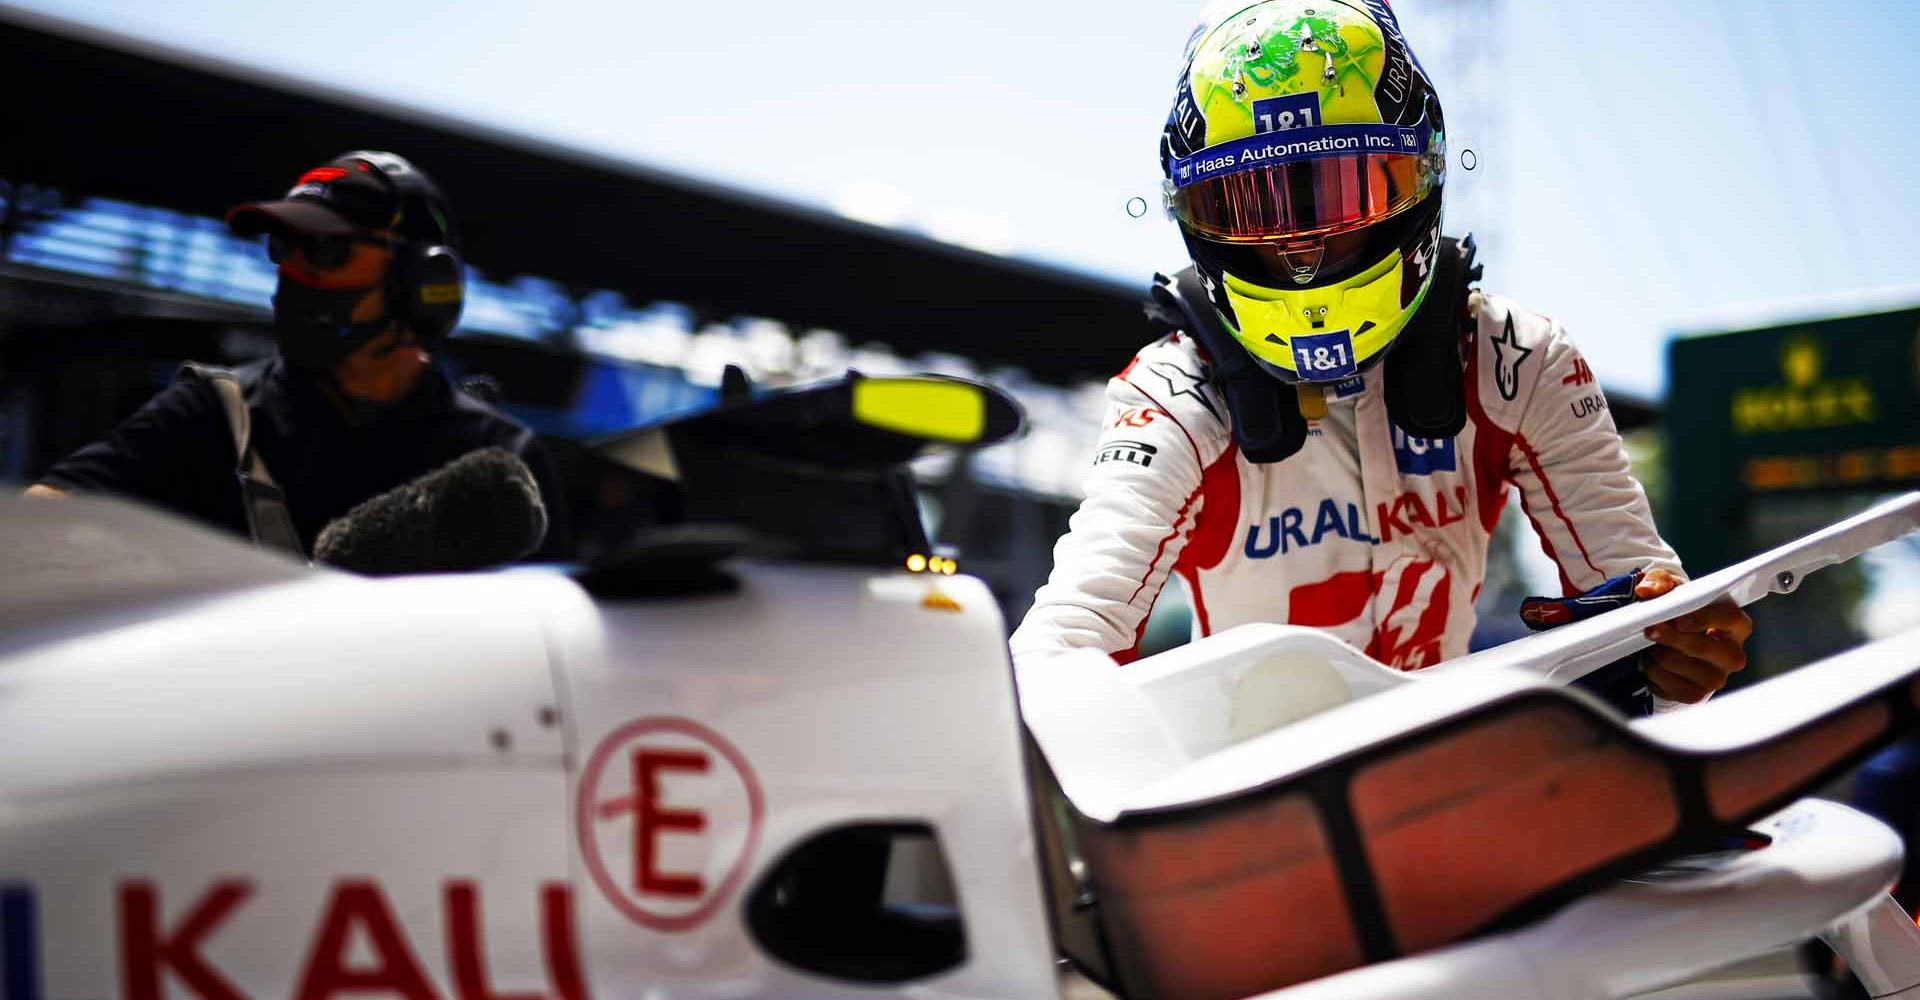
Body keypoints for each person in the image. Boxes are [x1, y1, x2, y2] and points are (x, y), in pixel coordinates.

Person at [1010, 0, 1747, 706]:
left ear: (1419, 180)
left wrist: (1679, 650)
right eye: (1251, 207)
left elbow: (1654, 614)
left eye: (1339, 192)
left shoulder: (1517, 359)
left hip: (1460, 787)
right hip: (1247, 802)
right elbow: (1061, 647)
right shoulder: (1177, 394)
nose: (1300, 249)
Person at [26, 151, 568, 561]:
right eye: (283, 249)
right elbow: (38, 525)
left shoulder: (502, 455)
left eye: (327, 252)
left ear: (421, 281)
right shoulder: (216, 413)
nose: (293, 275)